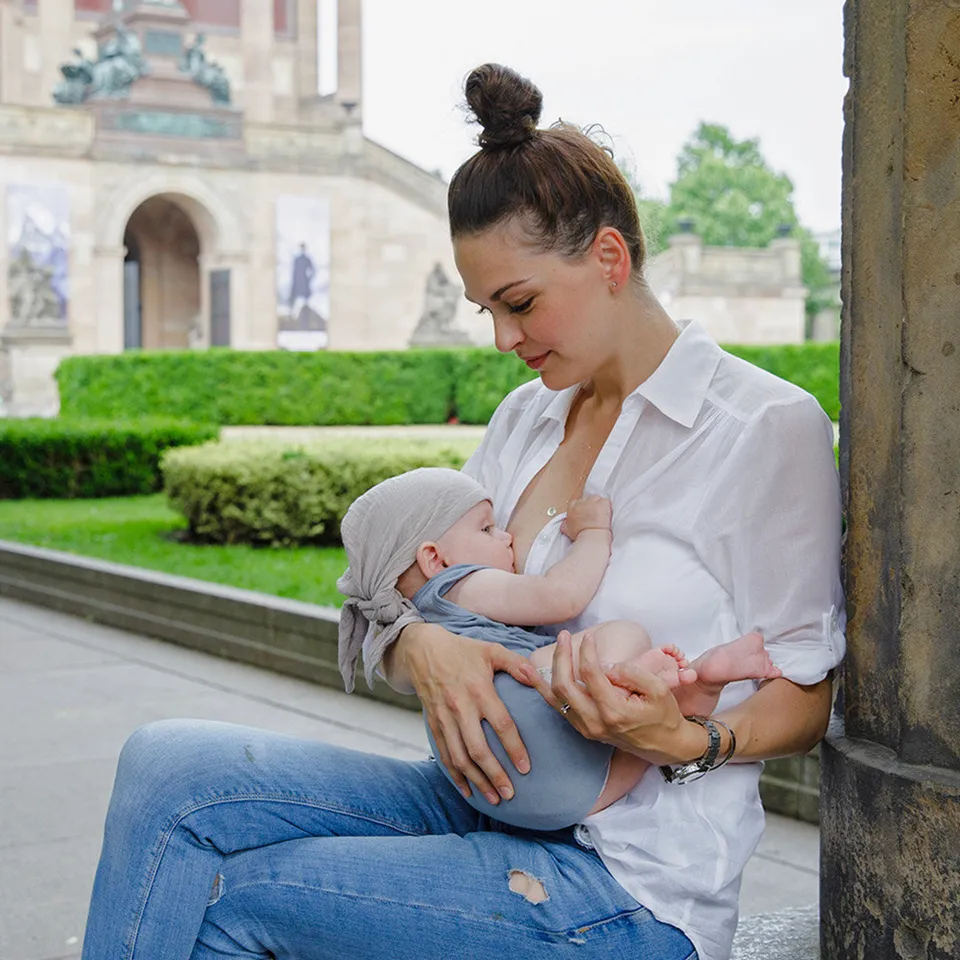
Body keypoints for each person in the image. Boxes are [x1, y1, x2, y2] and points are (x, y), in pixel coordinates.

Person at [80, 63, 844, 960]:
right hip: (479, 796)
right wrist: (420, 643)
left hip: (624, 878)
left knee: (234, 900)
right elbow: (403, 588)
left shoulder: (762, 426)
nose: (501, 339)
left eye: (518, 304)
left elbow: (808, 691)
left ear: (609, 257)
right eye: (487, 308)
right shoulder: (524, 418)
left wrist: (690, 735)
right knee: (164, 767)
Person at [337, 466, 782, 831]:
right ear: (435, 560)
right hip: (551, 743)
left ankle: (701, 678)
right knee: (583, 647)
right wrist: (593, 533)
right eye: (487, 528)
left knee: (645, 742)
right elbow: (559, 597)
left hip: (514, 795)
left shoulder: (412, 620)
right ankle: (635, 678)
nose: (507, 536)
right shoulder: (458, 586)